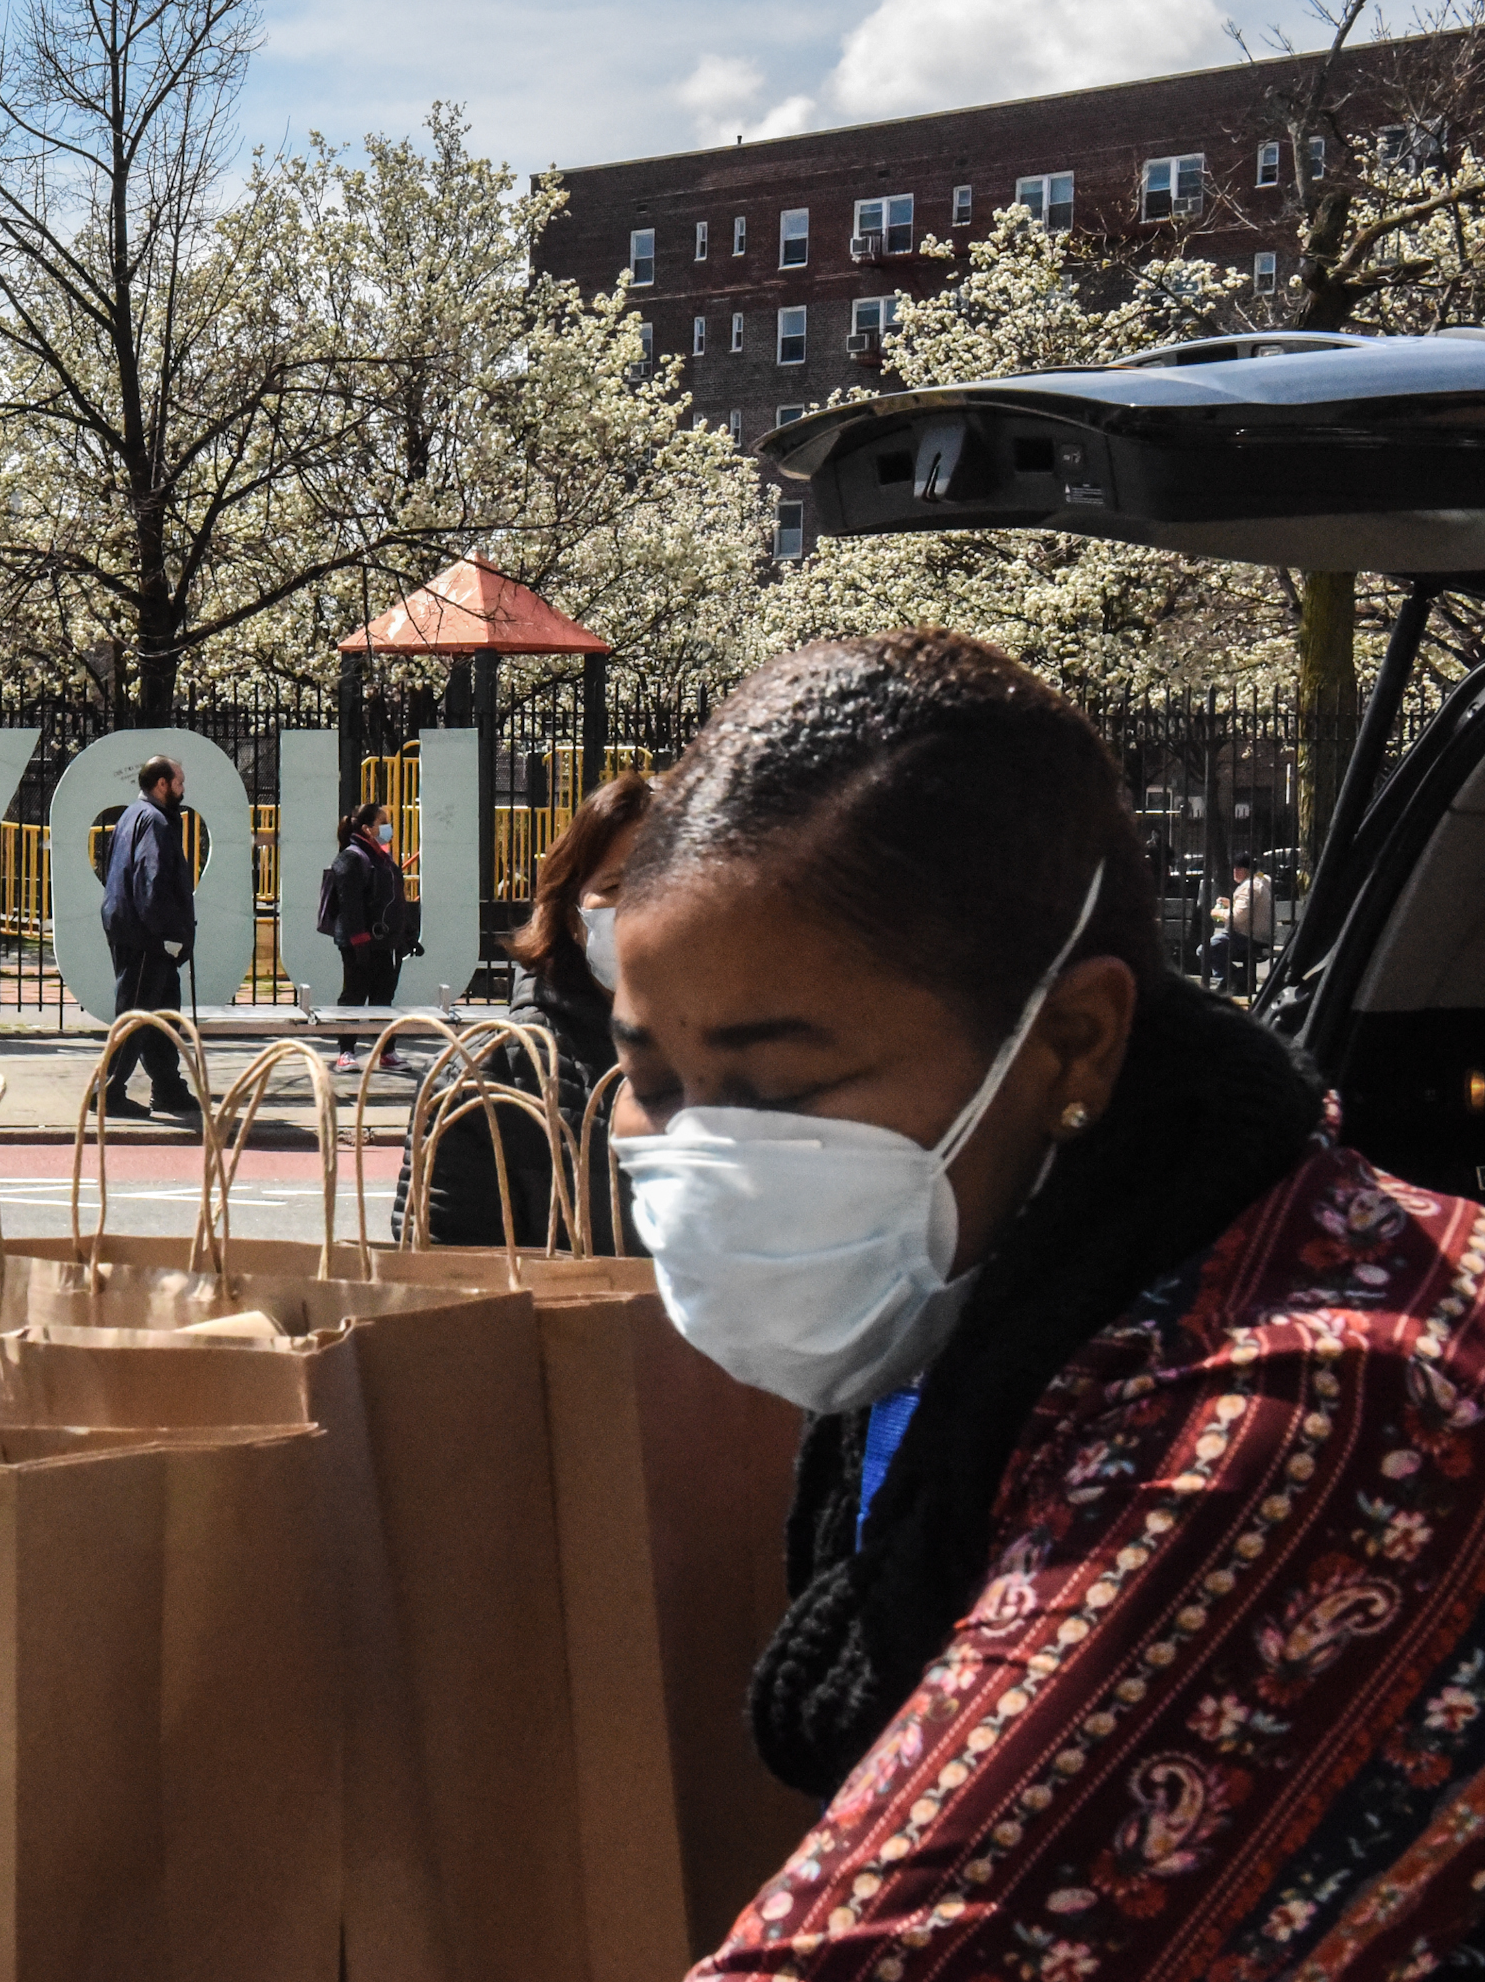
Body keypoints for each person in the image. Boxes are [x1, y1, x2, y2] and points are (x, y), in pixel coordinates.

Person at [603, 629, 1485, 1975]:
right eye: (655, 1079)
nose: (705, 1156)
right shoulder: (1017, 1311)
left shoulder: (1313, 1403)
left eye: (780, 1092)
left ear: (1073, 1039)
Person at [393, 772, 650, 1247]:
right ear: (573, 918)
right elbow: (445, 1287)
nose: (642, 908)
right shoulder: (488, 1078)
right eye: (615, 886)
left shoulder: (770, 1065)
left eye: (666, 884)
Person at [99, 754, 201, 1119]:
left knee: (162, 1015)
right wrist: (169, 934)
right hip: (146, 938)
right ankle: (107, 1091)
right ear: (162, 784)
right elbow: (151, 881)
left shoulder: (132, 816)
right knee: (138, 1013)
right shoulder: (155, 822)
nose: (183, 788)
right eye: (179, 781)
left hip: (137, 931)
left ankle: (168, 1088)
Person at [326, 802, 407, 1071]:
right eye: (382, 823)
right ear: (367, 828)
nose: (388, 828)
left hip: (384, 941)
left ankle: (387, 1051)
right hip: (358, 941)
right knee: (354, 994)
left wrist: (405, 934)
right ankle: (345, 1052)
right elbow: (350, 905)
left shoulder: (383, 857)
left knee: (383, 996)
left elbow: (395, 899)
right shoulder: (352, 857)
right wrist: (359, 941)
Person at [1202, 850, 1273, 995]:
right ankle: (1232, 980)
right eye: (1234, 868)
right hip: (1256, 935)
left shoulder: (1250, 887)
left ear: (1247, 870)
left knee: (1206, 950)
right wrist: (1230, 904)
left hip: (1247, 936)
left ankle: (1237, 979)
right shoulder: (1259, 883)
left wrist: (1218, 913)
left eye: (1238, 868)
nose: (1234, 871)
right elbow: (1248, 910)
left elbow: (1239, 916)